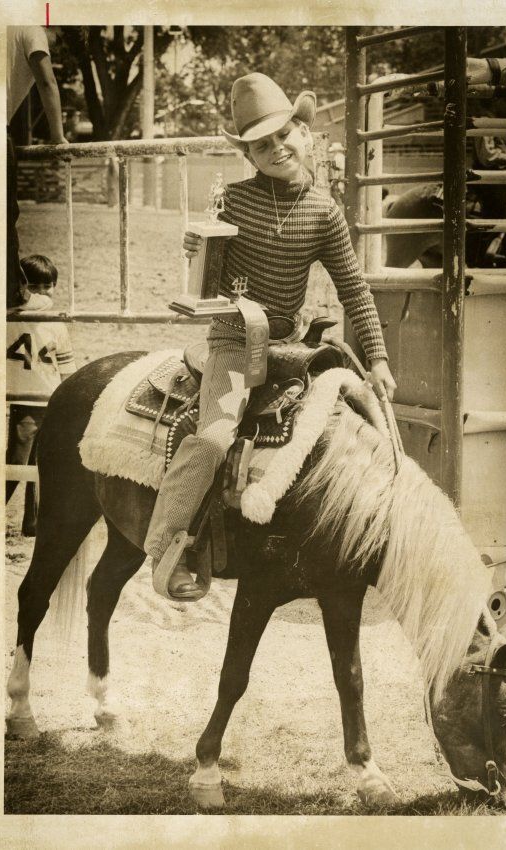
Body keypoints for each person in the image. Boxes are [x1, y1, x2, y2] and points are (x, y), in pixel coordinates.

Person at [144, 72, 396, 600]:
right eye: (262, 145)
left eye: (284, 135)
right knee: (214, 438)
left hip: (289, 343)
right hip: (234, 341)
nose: (277, 148)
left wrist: (377, 359)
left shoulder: (325, 212)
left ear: (305, 133)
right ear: (249, 156)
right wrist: (196, 251)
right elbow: (208, 278)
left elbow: (354, 288)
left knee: (351, 421)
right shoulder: (232, 201)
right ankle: (168, 547)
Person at [6, 255, 76, 535]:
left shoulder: (56, 324)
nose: (43, 293)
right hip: (24, 399)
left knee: (43, 462)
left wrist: (68, 403)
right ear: (22, 287)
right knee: (16, 461)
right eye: (35, 287)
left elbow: (67, 369)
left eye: (49, 286)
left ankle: (32, 522)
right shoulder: (10, 317)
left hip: (50, 398)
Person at [7, 26, 68, 309]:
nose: (53, 46)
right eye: (58, 39)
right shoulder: (32, 28)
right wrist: (57, 136)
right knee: (5, 216)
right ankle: (12, 294)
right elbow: (47, 81)